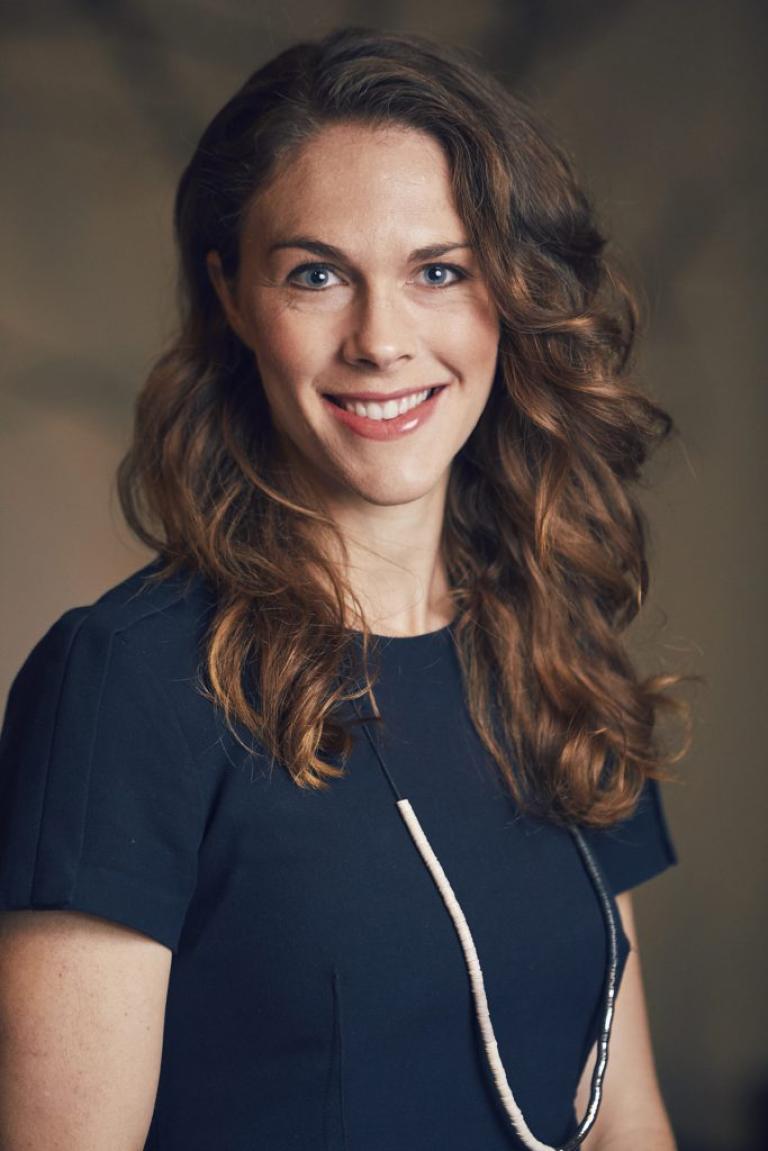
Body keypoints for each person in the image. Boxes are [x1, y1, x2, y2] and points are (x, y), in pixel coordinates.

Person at [0, 26, 689, 1151]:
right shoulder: (127, 683)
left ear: (509, 294)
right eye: (317, 273)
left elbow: (628, 1121)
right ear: (232, 295)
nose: (381, 339)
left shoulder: (557, 650)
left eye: (439, 270)